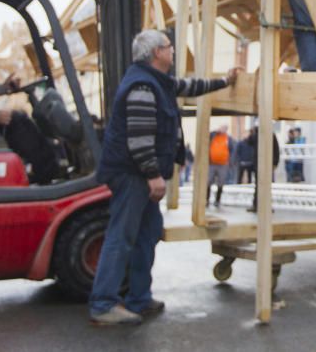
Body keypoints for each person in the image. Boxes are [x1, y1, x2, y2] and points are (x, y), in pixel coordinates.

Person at [89, 29, 239, 325]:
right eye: (170, 47)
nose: (173, 51)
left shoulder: (158, 82)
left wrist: (225, 80)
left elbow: (190, 86)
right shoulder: (143, 87)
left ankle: (139, 299)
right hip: (133, 175)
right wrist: (153, 176)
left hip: (139, 174)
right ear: (157, 52)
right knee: (122, 236)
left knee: (147, 232)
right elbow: (139, 139)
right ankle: (103, 303)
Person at [0, 16, 58, 183]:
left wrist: (3, 89)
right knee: (18, 121)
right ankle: (48, 176)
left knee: (18, 118)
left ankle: (42, 173)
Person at [246, 125, 280, 213]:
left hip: (267, 164)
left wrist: (275, 162)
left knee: (266, 186)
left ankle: (266, 206)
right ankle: (256, 205)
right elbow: (248, 142)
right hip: (259, 164)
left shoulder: (271, 135)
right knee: (258, 186)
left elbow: (276, 149)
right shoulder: (256, 136)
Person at [206, 126, 233, 207]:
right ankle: (206, 199)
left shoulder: (228, 138)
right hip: (212, 163)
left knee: (221, 182)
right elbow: (208, 136)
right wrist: (216, 130)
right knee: (208, 181)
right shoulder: (213, 135)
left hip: (223, 164)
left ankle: (217, 200)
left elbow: (231, 149)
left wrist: (230, 161)